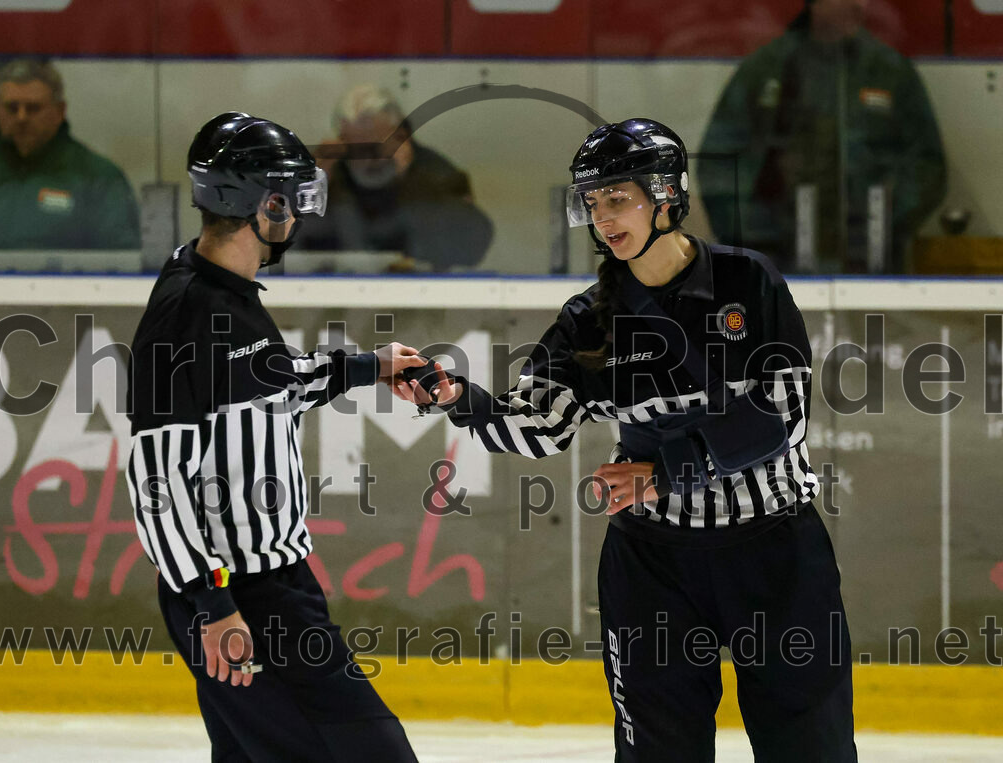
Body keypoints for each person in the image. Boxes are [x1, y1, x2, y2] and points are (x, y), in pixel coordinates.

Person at [393, 119, 856, 761]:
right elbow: (540, 428)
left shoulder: (748, 284)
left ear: (666, 196)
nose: (603, 217)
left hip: (774, 555)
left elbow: (783, 415)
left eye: (619, 198)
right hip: (655, 566)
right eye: (592, 202)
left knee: (812, 749)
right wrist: (457, 399)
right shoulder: (588, 319)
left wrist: (666, 469)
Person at [125, 112, 423, 762]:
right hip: (242, 594)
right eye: (290, 196)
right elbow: (155, 482)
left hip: (275, 583)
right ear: (265, 203)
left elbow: (272, 387)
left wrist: (371, 367)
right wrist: (214, 603)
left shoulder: (227, 291)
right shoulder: (187, 313)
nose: (298, 214)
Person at [698, 0, 946, 274]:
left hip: (870, 262)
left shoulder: (889, 72)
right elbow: (719, 161)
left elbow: (928, 165)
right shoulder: (769, 68)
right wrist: (755, 236)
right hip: (777, 259)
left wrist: (882, 222)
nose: (857, 3)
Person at [296, 83, 493, 271]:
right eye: (357, 148)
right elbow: (290, 249)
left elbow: (472, 246)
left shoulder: (435, 173)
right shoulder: (334, 172)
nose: (369, 159)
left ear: (401, 137)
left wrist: (411, 181)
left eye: (377, 146)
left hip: (419, 294)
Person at [0, 58, 141, 250]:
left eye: (33, 108)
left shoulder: (98, 178)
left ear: (60, 111)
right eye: (12, 108)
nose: (21, 117)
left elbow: (122, 259)